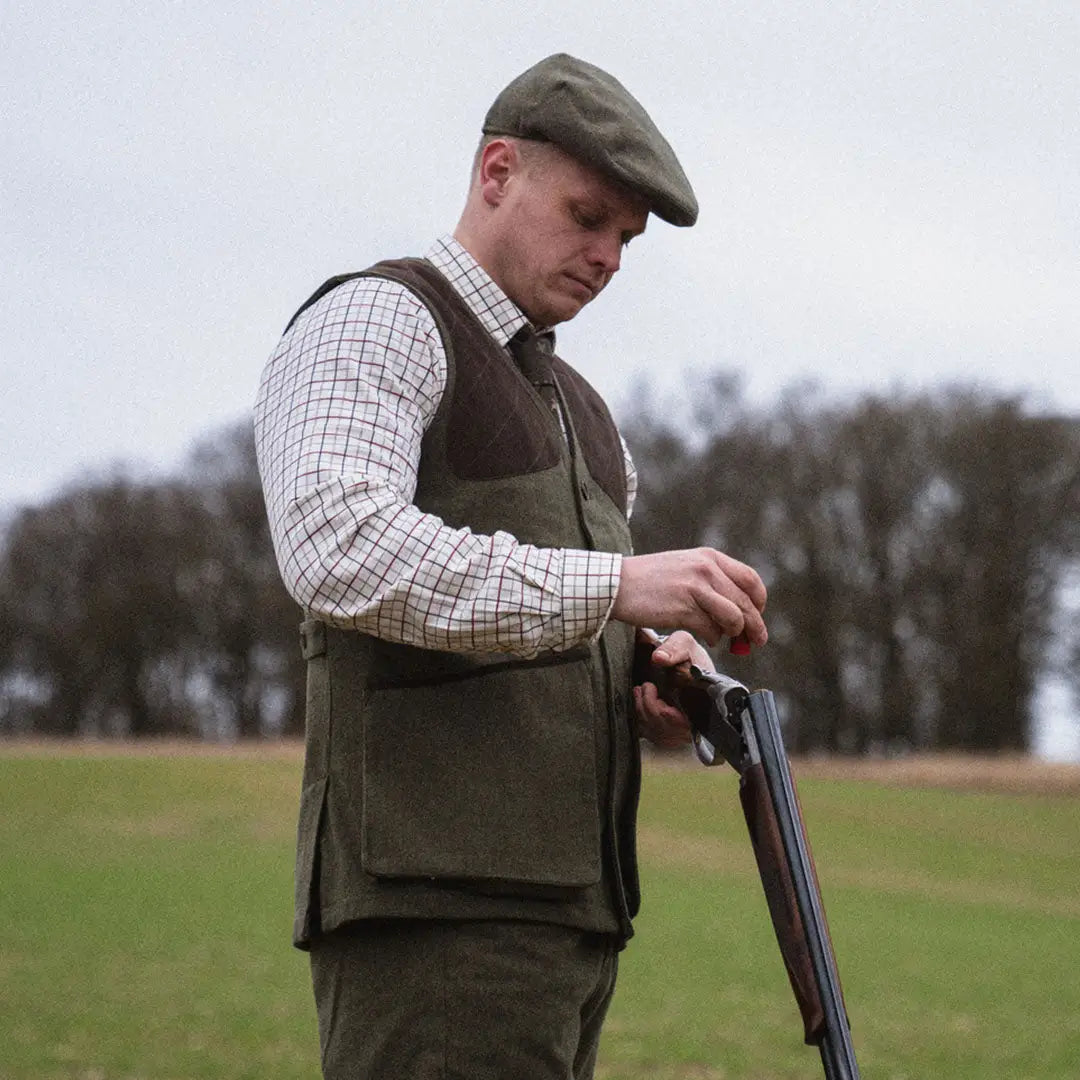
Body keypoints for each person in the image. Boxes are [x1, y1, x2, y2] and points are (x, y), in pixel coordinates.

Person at [254, 53, 767, 1080]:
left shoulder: (586, 409)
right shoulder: (378, 317)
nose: (610, 255)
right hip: (433, 911)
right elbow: (338, 548)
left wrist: (644, 685)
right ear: (497, 173)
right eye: (589, 215)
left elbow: (550, 629)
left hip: (570, 914)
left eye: (627, 237)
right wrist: (620, 586)